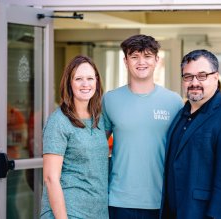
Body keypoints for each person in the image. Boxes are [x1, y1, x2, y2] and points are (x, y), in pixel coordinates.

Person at [160, 49, 221, 219]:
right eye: (188, 76)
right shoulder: (180, 116)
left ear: (216, 77)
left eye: (202, 76)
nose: (194, 82)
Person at [102, 34, 183, 219]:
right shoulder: (110, 99)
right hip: (120, 200)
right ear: (125, 61)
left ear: (156, 60)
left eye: (147, 56)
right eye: (134, 56)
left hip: (163, 199)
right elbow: (97, 146)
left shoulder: (174, 101)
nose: (141, 62)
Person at [40, 55, 109, 219]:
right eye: (78, 79)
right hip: (69, 212)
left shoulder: (99, 119)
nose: (85, 84)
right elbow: (50, 178)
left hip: (98, 212)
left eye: (90, 78)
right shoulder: (58, 121)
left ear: (97, 82)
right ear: (69, 83)